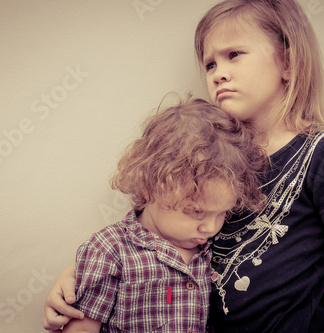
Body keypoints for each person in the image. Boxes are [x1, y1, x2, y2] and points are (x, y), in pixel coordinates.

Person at [44, 1, 324, 332]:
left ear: (288, 62)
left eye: (234, 54)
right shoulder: (210, 150)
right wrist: (83, 275)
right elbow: (154, 228)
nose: (219, 73)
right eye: (209, 64)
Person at [59, 97, 265, 333]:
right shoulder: (109, 250)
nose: (210, 227)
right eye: (197, 211)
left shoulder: (215, 249)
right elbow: (81, 328)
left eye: (223, 213)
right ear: (151, 187)